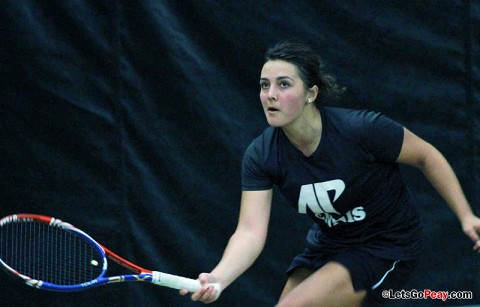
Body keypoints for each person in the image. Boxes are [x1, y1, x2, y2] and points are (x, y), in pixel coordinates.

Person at [180, 40, 480, 306]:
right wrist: (218, 277)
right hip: (329, 245)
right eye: (264, 85)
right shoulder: (262, 154)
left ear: (311, 93)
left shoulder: (362, 129)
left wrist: (466, 216)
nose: (270, 95)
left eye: (284, 84)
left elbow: (427, 156)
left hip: (386, 245)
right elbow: (249, 231)